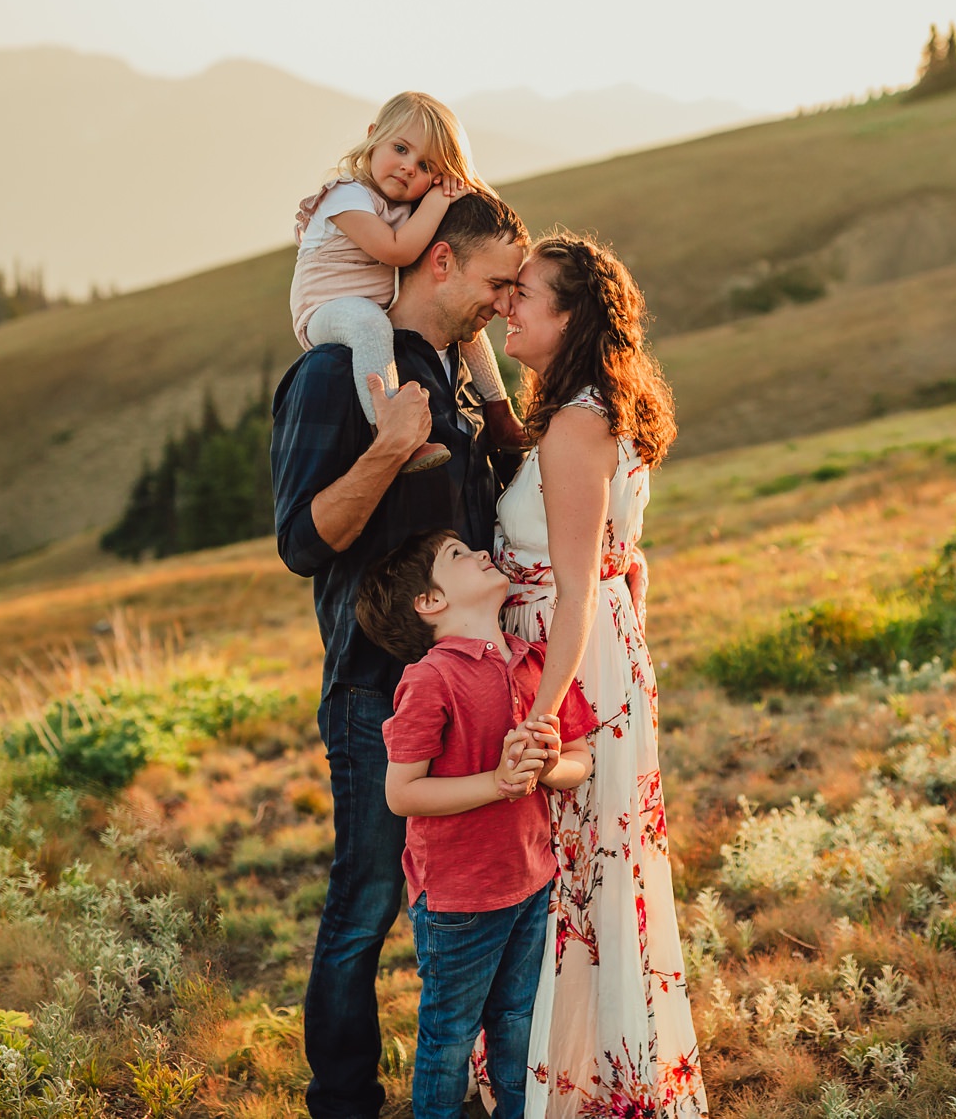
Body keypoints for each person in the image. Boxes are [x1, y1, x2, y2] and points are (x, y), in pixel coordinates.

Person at [271, 190, 528, 1119]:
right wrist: (386, 451)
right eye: (496, 282)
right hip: (376, 694)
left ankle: (457, 1088)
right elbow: (302, 541)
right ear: (439, 262)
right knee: (367, 903)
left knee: (469, 904)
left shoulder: (457, 374)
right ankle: (342, 1102)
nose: (504, 304)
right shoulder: (336, 372)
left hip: (476, 693)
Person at [496, 233, 709, 1117]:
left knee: (571, 875)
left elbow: (579, 589)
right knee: (585, 878)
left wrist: (541, 719)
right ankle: (573, 1069)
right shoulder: (583, 408)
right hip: (598, 660)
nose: (507, 302)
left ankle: (575, 1086)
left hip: (572, 671)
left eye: (524, 293)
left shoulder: (580, 422)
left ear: (571, 315)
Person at [357, 529, 599, 1119]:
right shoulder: (431, 678)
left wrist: (547, 769)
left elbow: (582, 758)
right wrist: (496, 783)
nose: (481, 554)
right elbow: (401, 793)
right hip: (460, 899)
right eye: (458, 557)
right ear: (430, 602)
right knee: (450, 1036)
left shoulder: (535, 663)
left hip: (532, 880)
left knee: (517, 1025)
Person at [290, 91, 526, 470]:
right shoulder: (346, 196)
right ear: (373, 136)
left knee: (466, 323)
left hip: (373, 307)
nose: (408, 168)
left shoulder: (405, 208)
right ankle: (391, 435)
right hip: (326, 309)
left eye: (426, 166)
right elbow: (396, 251)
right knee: (370, 324)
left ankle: (499, 413)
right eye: (400, 148)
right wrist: (436, 201)